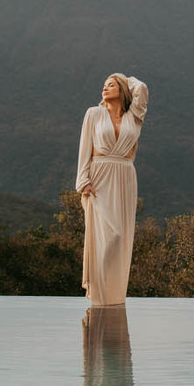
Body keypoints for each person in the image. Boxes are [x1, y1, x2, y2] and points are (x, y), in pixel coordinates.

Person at [75, 73, 149, 307]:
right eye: (104, 85)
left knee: (121, 238)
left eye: (111, 85)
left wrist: (125, 78)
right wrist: (83, 181)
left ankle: (114, 298)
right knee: (107, 237)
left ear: (123, 90)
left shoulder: (133, 116)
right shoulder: (93, 114)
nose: (104, 88)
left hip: (125, 177)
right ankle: (99, 297)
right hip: (99, 178)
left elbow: (142, 88)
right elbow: (84, 148)